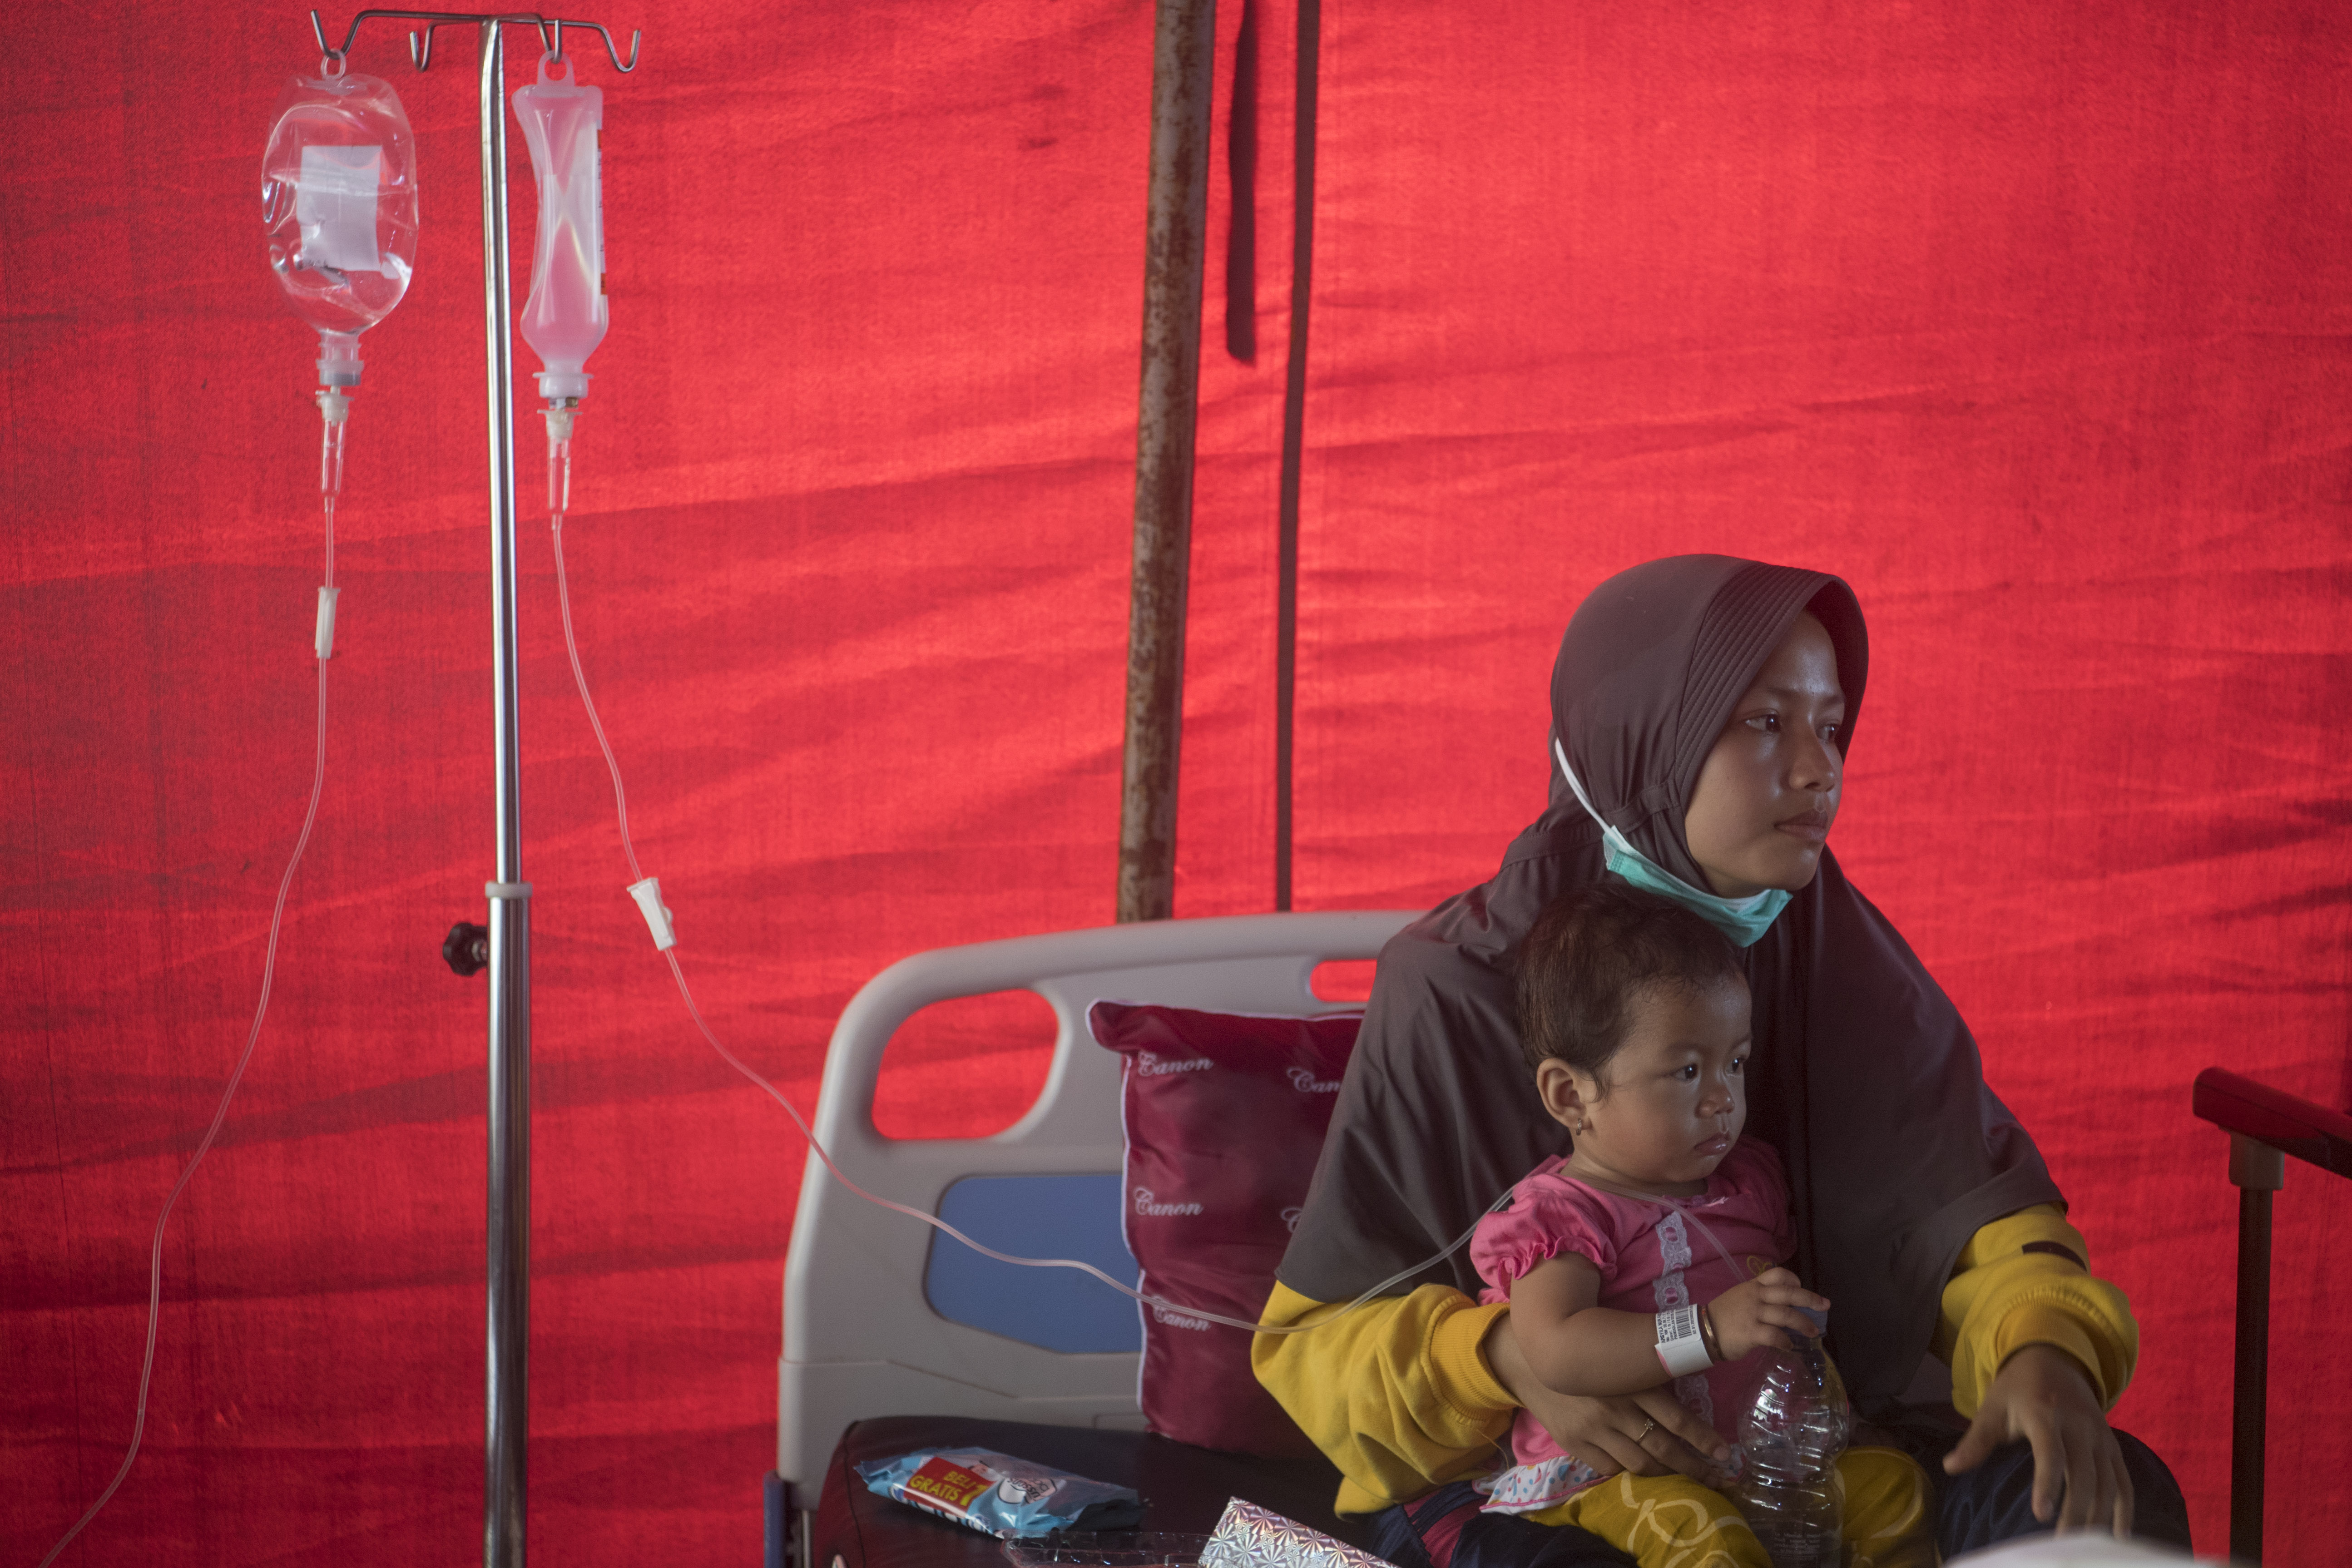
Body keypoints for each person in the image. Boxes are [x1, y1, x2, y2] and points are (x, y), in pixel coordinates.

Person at [1252, 555, 2190, 1567]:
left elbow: (1963, 1214)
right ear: (1645, 737)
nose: (1819, 769)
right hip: (1536, 1479)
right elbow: (1313, 1349)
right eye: (1765, 721)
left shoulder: (1829, 945)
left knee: (2095, 1495)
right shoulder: (1457, 983)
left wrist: (2040, 1341)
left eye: (1831, 725)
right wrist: (1508, 1357)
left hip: (1799, 1439)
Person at [1469, 880, 1931, 1568]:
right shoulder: (1563, 1214)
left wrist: (1835, 1420)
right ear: (1572, 1096)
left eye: (1735, 1063)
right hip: (1618, 1476)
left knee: (1896, 1490)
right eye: (1687, 1070)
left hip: (1762, 1462)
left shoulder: (1751, 1183)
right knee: (1705, 1538)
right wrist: (1708, 1330)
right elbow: (1556, 1349)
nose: (1723, 1099)